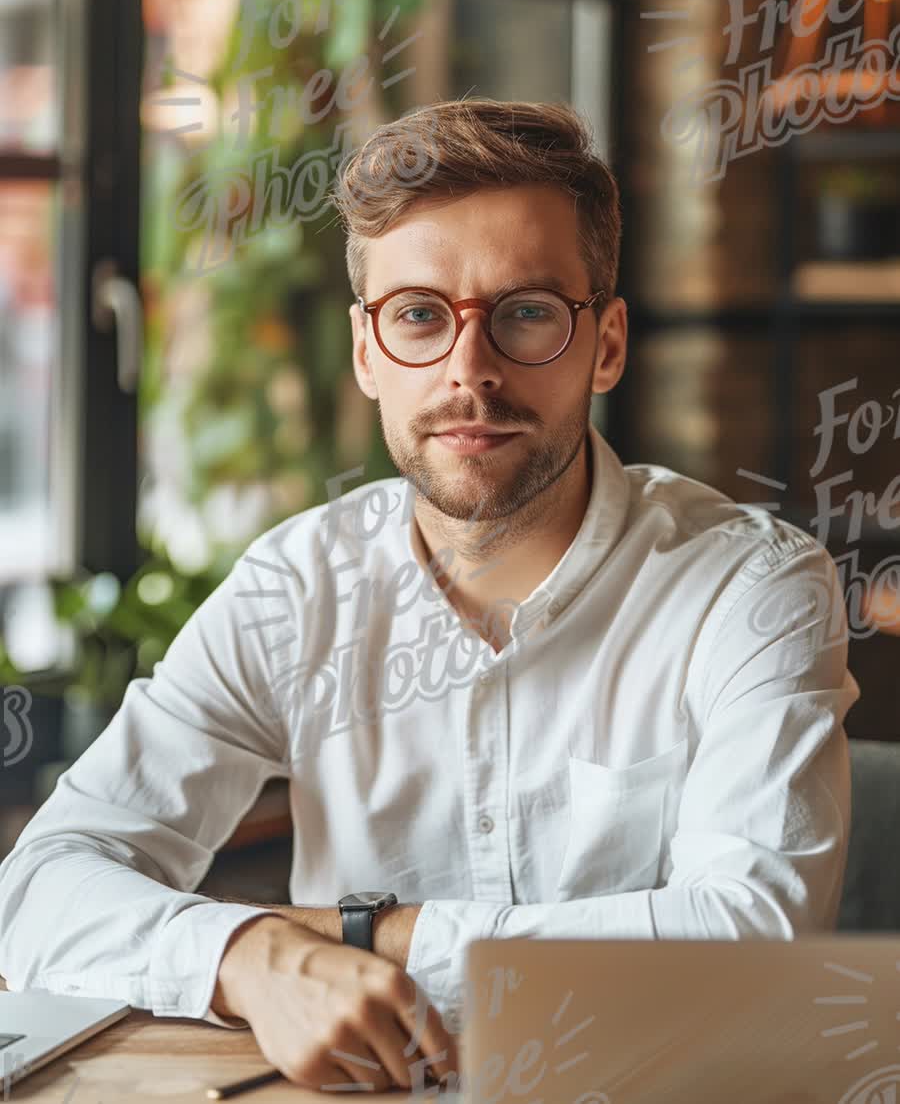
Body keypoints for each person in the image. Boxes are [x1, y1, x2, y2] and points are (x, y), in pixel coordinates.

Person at [0, 98, 860, 1094]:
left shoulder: (751, 585)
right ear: (368, 352)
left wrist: (355, 935)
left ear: (608, 343)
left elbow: (756, 944)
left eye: (527, 312)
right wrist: (255, 957)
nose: (469, 371)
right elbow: (39, 886)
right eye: (418, 316)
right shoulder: (294, 587)